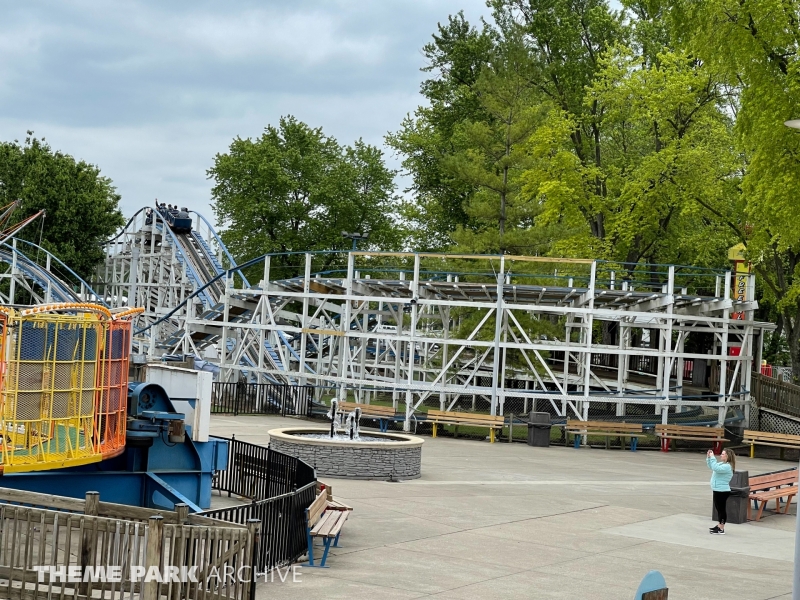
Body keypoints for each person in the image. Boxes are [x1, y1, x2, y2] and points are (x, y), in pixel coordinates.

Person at [707, 448, 736, 534]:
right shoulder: (722, 464)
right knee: (718, 508)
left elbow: (716, 468)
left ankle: (721, 528)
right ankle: (719, 525)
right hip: (717, 489)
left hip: (722, 491)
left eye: (723, 454)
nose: (721, 455)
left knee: (721, 509)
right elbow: (712, 466)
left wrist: (713, 457)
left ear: (727, 456)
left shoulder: (727, 466)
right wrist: (709, 458)